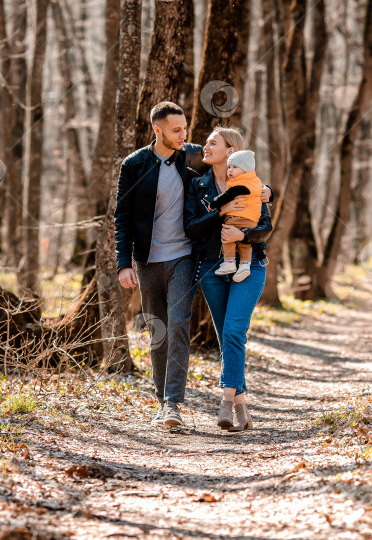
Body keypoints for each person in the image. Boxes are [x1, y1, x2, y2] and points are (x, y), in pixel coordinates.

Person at [115, 102, 204, 427]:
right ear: (158, 130)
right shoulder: (135, 165)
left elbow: (231, 168)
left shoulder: (193, 156)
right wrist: (124, 263)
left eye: (185, 129)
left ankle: (172, 405)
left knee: (179, 325)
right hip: (148, 261)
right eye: (176, 130)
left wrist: (263, 191)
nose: (184, 135)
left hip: (184, 256)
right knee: (159, 330)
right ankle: (161, 399)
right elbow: (121, 217)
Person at [183, 127, 272, 431]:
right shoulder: (199, 185)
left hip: (251, 264)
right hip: (212, 267)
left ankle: (224, 402)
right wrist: (221, 212)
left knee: (234, 330)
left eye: (212, 143)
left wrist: (242, 234)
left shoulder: (255, 185)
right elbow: (191, 228)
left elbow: (265, 227)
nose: (205, 147)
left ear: (231, 149)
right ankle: (242, 406)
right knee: (226, 336)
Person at [211, 150, 263, 283]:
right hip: (251, 220)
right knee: (245, 244)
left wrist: (214, 203)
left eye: (235, 167)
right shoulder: (255, 182)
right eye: (229, 167)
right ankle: (245, 266)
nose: (230, 170)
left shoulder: (240, 184)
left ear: (245, 169)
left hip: (238, 218)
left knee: (227, 236)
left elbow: (227, 196)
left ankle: (229, 262)